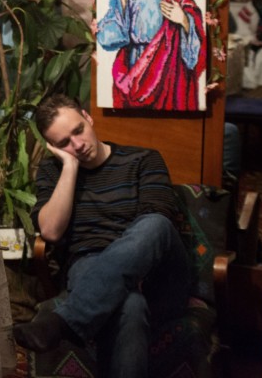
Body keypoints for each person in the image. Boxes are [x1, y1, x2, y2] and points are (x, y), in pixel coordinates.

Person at [14, 95, 191, 378]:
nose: (78, 144)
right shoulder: (53, 171)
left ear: (88, 117)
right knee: (130, 305)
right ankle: (74, 318)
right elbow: (50, 231)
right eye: (64, 143)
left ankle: (64, 322)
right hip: (90, 265)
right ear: (53, 148)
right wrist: (69, 168)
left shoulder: (143, 159)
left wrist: (125, 272)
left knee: (156, 224)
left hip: (157, 275)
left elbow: (157, 225)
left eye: (78, 130)